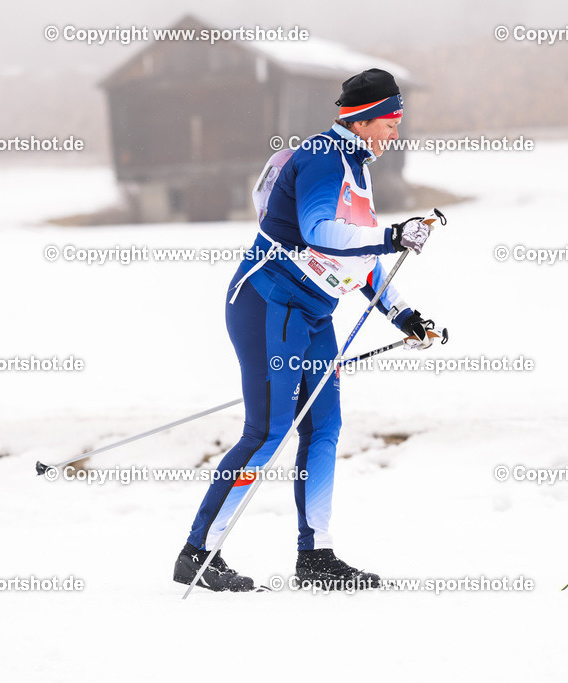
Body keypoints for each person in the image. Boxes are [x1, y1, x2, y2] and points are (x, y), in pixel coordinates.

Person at [173, 68, 442, 592]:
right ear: (364, 119)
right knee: (267, 432)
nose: (395, 132)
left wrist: (403, 314)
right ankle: (197, 554)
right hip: (269, 303)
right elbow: (324, 233)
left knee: (323, 428)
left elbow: (356, 256)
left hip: (314, 313)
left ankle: (315, 557)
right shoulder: (322, 158)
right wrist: (393, 234)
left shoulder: (356, 167)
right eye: (390, 121)